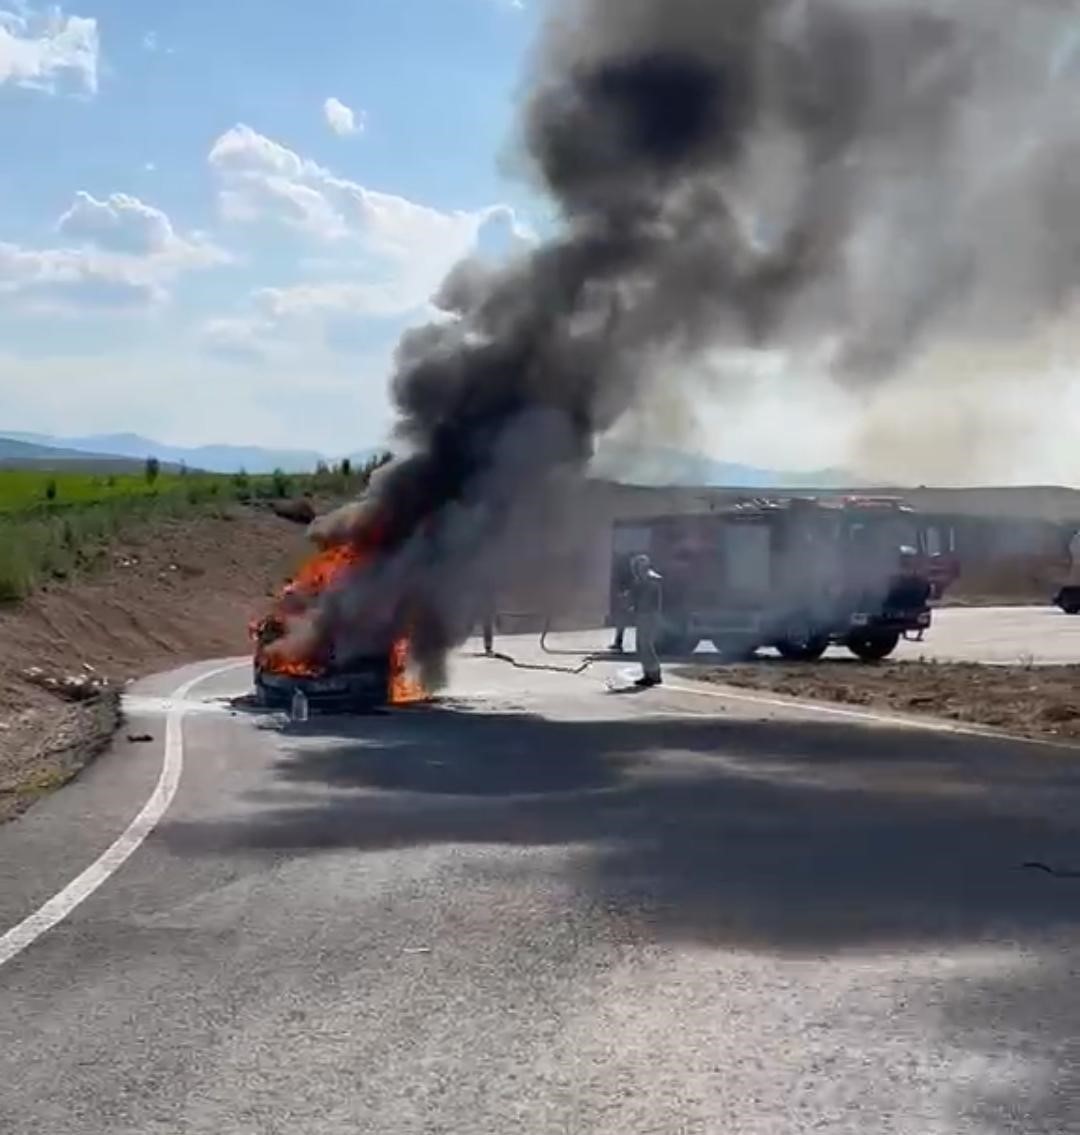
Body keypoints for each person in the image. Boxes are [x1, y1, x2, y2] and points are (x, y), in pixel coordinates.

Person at [629, 553, 663, 687]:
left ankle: (654, 674)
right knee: (642, 645)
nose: (636, 569)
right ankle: (648, 674)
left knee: (646, 645)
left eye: (638, 566)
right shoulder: (641, 580)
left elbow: (649, 600)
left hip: (649, 615)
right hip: (643, 614)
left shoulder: (650, 580)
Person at [610, 555, 634, 653]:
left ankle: (618, 642)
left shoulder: (631, 574)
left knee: (622, 622)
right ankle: (618, 642)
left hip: (628, 599)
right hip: (626, 599)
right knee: (621, 622)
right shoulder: (629, 574)